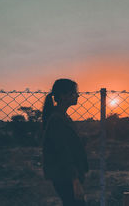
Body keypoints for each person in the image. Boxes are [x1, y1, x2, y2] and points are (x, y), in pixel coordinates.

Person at [42, 78, 89, 206]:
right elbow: (63, 152)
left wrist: (96, 135)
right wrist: (75, 180)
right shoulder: (57, 120)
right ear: (63, 96)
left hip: (66, 175)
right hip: (66, 176)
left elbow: (72, 144)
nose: (77, 95)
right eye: (74, 93)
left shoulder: (62, 116)